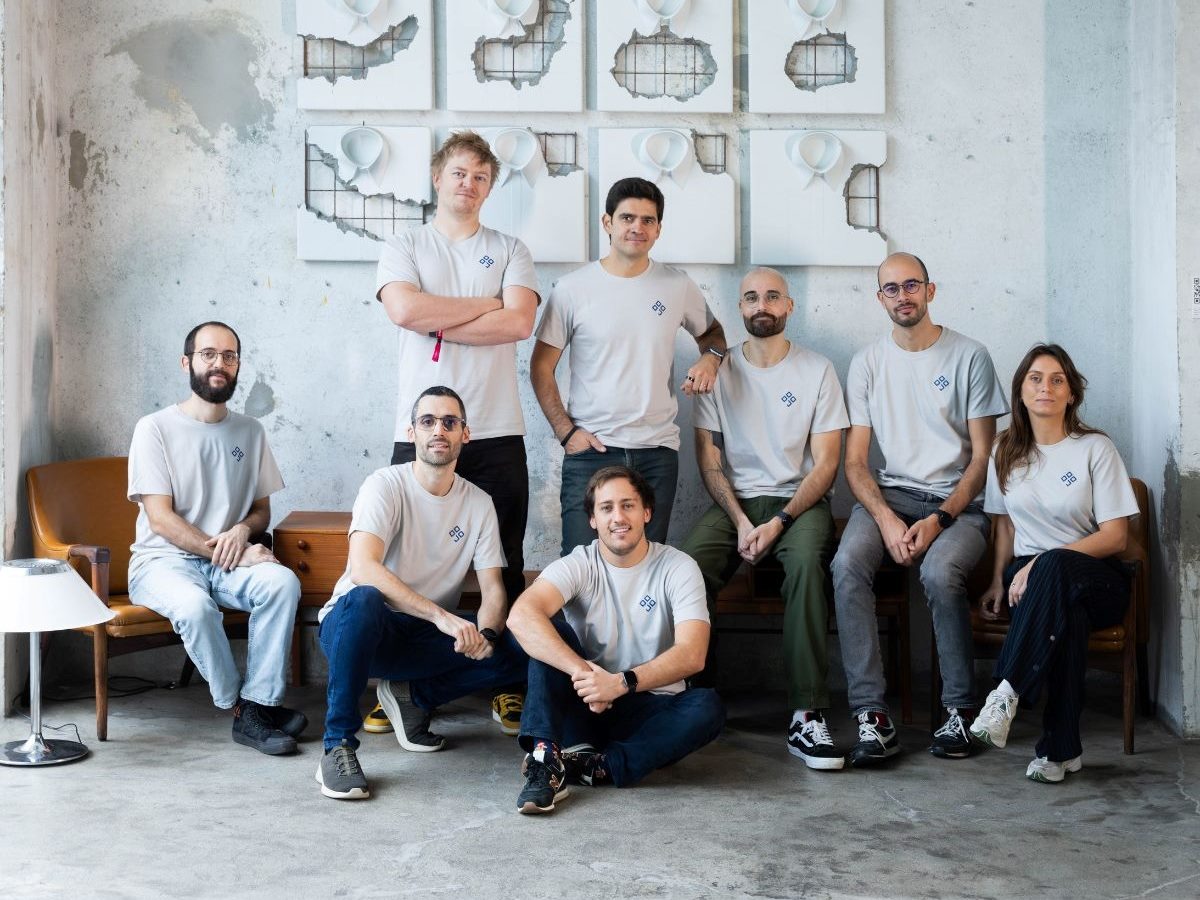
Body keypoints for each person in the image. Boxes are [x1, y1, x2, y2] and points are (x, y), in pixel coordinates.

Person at [374, 130, 539, 736]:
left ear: (490, 187)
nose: (468, 185)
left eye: (480, 177)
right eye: (458, 173)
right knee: (408, 564)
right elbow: (405, 313)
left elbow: (518, 322)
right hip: (418, 431)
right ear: (437, 178)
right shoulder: (406, 242)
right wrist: (480, 307)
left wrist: (441, 318)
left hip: (495, 430)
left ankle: (503, 681)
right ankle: (396, 680)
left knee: (507, 561)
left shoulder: (511, 248)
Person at [833, 252, 1009, 765]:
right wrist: (888, 520)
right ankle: (872, 716)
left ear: (930, 291)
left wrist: (938, 520)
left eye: (912, 286)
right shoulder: (867, 362)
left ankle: (960, 710)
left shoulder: (970, 356)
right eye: (891, 288)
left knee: (938, 572)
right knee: (846, 566)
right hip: (892, 497)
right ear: (879, 298)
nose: (902, 296)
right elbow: (856, 464)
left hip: (961, 505)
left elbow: (982, 460)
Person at [315, 386, 530, 800]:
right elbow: (363, 568)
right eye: (428, 421)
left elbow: (493, 589)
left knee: (532, 640)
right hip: (360, 630)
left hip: (423, 639)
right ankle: (336, 747)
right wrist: (442, 617)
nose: (439, 430)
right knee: (365, 599)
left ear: (464, 434)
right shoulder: (384, 485)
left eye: (450, 422)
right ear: (411, 432)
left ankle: (412, 696)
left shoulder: (479, 503)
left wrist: (485, 636)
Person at [679, 267, 849, 770]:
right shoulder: (717, 370)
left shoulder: (817, 369)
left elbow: (827, 465)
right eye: (751, 297)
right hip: (736, 502)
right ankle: (695, 699)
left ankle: (807, 713)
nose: (762, 305)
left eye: (773, 296)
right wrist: (738, 519)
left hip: (799, 504)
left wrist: (778, 521)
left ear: (789, 306)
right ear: (739, 308)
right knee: (685, 570)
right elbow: (708, 460)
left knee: (805, 569)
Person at [127, 321, 304, 756]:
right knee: (194, 606)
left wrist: (243, 532)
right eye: (208, 354)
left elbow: (262, 509)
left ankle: (258, 704)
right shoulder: (154, 428)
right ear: (187, 362)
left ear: (238, 365)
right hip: (161, 562)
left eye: (229, 356)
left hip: (226, 560)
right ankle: (242, 710)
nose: (219, 364)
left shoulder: (250, 431)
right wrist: (236, 553)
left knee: (283, 584)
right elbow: (161, 519)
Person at [506, 466, 725, 815]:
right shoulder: (580, 563)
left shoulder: (678, 567)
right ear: (593, 519)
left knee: (706, 707)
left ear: (646, 513)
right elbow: (521, 616)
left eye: (628, 505)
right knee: (550, 635)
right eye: (606, 508)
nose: (618, 517)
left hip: (649, 706)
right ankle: (546, 761)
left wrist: (621, 684)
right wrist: (590, 677)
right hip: (588, 702)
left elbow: (693, 654)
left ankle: (597, 767)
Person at [531, 177, 727, 557]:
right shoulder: (572, 289)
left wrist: (711, 357)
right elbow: (541, 367)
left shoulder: (676, 285)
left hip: (656, 451)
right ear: (608, 223)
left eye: (648, 220)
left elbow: (713, 334)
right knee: (579, 566)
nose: (637, 227)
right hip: (590, 452)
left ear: (658, 229)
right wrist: (565, 431)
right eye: (627, 218)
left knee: (645, 566)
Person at [969, 345, 1138, 783]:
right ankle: (1060, 752)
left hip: (1097, 574)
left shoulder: (1094, 448)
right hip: (1028, 577)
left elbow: (1117, 536)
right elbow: (1003, 527)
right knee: (1069, 618)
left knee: (1057, 574)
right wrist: (994, 581)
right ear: (1021, 393)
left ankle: (1005, 691)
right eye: (1035, 379)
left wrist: (1046, 559)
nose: (1046, 387)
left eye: (1057, 379)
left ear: (1071, 394)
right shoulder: (1005, 450)